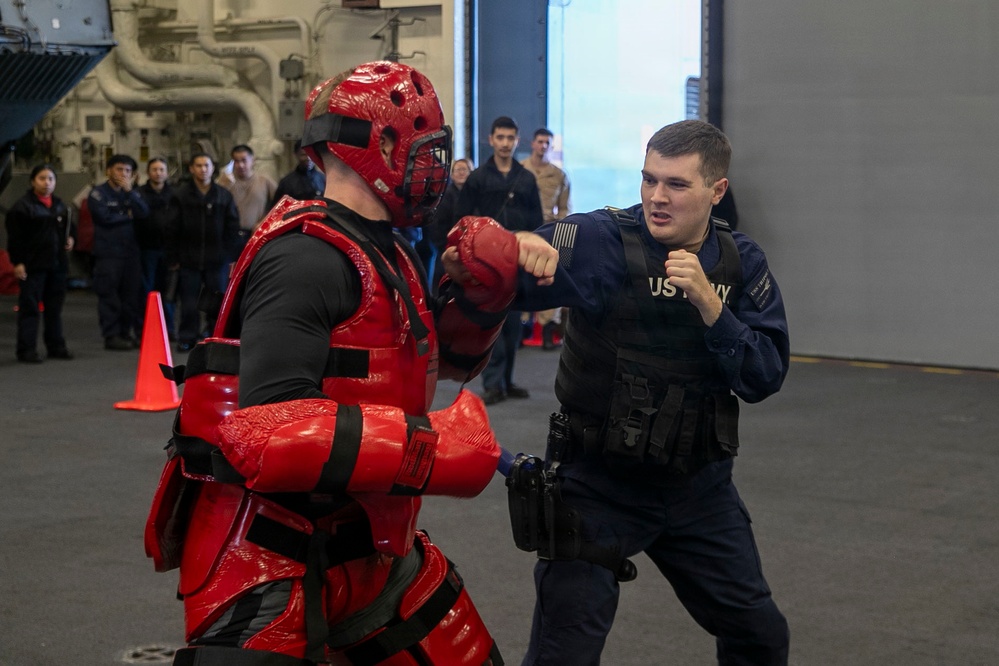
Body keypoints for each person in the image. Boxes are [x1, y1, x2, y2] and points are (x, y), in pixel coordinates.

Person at [144, 60, 557, 665]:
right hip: (265, 552)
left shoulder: (389, 249)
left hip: (369, 540)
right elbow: (269, 428)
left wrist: (480, 299)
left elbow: (416, 366)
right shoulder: (303, 259)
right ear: (381, 147)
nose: (432, 168)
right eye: (422, 149)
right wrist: (430, 449)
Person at [509, 120, 790, 665]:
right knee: (563, 657)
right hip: (597, 487)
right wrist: (511, 250)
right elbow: (511, 269)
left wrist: (712, 307)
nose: (657, 197)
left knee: (761, 637)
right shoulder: (599, 240)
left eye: (676, 184)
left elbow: (765, 375)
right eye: (649, 179)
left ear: (717, 190)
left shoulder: (740, 262)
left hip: (698, 488)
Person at [455, 116, 544, 405]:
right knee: (492, 323)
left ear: (517, 141)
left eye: (510, 138)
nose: (505, 143)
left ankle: (507, 381)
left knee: (514, 324)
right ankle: (492, 383)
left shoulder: (526, 178)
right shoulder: (478, 178)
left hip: (517, 260)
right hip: (486, 262)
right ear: (491, 140)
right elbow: (462, 218)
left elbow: (537, 221)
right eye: (500, 137)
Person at [164, 153, 240, 352]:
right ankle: (187, 337)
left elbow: (232, 227)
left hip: (217, 261)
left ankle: (215, 338)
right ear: (191, 169)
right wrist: (174, 257)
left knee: (216, 302)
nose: (203, 169)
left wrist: (229, 256)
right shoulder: (180, 195)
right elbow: (172, 228)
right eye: (198, 165)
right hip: (188, 259)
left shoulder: (223, 196)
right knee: (189, 303)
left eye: (206, 165)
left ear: (212, 168)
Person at [5, 164, 75, 362]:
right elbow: (15, 239)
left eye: (50, 179)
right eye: (42, 178)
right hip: (32, 266)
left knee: (54, 309)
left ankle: (56, 346)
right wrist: (18, 263)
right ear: (33, 181)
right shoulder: (22, 207)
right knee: (30, 308)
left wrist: (71, 239)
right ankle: (26, 350)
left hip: (57, 265)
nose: (47, 183)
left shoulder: (60, 206)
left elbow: (70, 229)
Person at [88, 154, 148, 351]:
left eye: (127, 171)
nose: (123, 174)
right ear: (109, 171)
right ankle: (111, 335)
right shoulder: (98, 194)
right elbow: (103, 217)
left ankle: (125, 332)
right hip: (108, 253)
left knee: (130, 296)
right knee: (109, 295)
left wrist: (129, 193)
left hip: (130, 253)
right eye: (119, 169)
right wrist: (127, 216)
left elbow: (143, 213)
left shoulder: (132, 193)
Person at [521, 128, 572, 351]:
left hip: (548, 230)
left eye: (547, 143)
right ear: (532, 143)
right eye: (540, 141)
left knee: (551, 277)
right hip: (522, 231)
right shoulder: (520, 170)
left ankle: (548, 328)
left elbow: (564, 208)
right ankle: (521, 326)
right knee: (520, 277)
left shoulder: (559, 175)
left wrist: (561, 233)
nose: (543, 146)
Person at [136, 157, 177, 338]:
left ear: (167, 173)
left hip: (168, 250)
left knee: (168, 292)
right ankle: (144, 330)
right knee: (146, 290)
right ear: (148, 172)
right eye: (154, 169)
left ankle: (168, 329)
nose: (158, 173)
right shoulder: (139, 194)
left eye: (162, 169)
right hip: (146, 249)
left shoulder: (175, 195)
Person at [217, 143, 277, 257]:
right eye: (236, 161)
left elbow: (281, 203)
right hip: (231, 236)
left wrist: (265, 221)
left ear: (252, 160)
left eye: (244, 160)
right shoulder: (226, 182)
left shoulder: (264, 181)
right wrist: (223, 185)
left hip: (257, 234)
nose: (240, 165)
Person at [425, 157, 473, 292]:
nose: (461, 173)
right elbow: (437, 226)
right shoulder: (445, 196)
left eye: (465, 169)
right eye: (458, 170)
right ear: (451, 174)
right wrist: (445, 246)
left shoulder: (474, 195)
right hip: (447, 250)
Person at [271, 139, 326, 204]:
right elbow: (278, 206)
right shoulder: (287, 183)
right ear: (296, 155)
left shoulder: (324, 180)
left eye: (311, 155)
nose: (308, 158)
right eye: (303, 155)